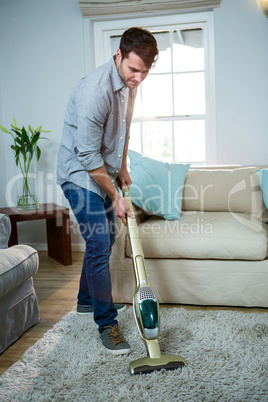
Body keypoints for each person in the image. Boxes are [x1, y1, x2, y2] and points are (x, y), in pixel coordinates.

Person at [57, 27, 158, 355]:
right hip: (78, 174)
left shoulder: (132, 85)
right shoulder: (95, 91)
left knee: (102, 240)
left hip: (100, 169)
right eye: (133, 69)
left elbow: (124, 131)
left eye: (145, 71)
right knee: (100, 241)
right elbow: (86, 155)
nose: (139, 78)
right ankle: (107, 324)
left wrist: (124, 167)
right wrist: (115, 194)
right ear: (118, 55)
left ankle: (85, 301)